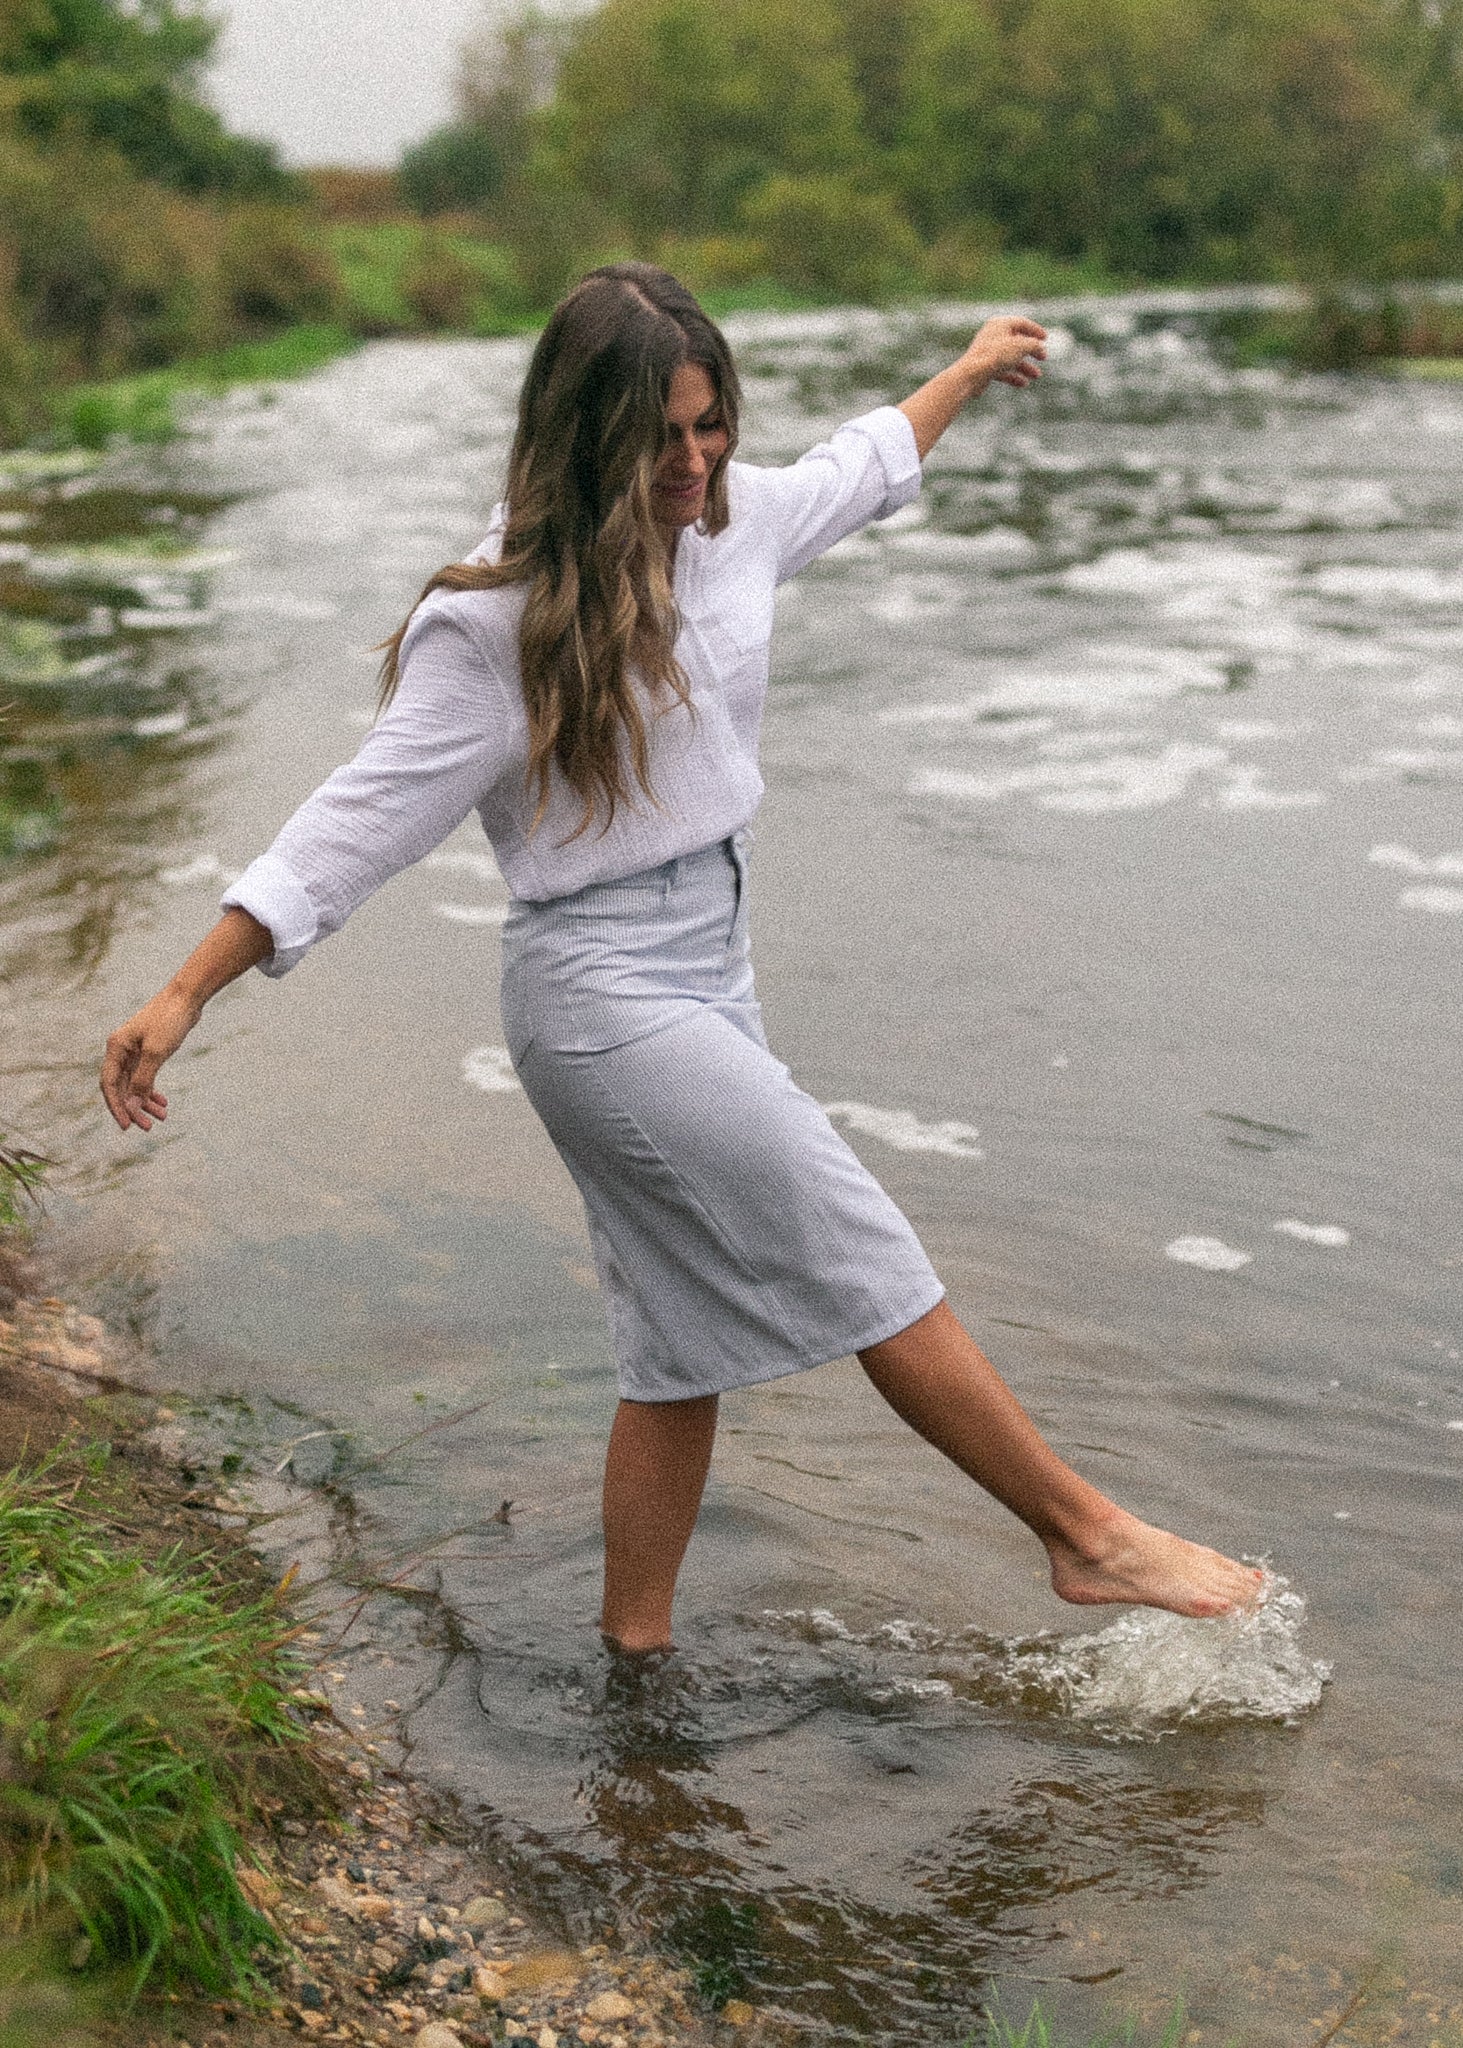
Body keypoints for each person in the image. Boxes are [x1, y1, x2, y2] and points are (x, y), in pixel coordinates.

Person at [101, 264, 1260, 1653]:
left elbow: (857, 468)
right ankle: (1086, 1536)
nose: (697, 463)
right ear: (584, 439)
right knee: (860, 1243)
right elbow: (352, 824)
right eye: (662, 439)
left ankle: (633, 1653)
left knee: (676, 1349)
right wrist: (186, 987)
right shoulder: (498, 619)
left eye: (712, 427)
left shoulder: (730, 521)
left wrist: (960, 373)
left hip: (713, 965)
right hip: (601, 998)